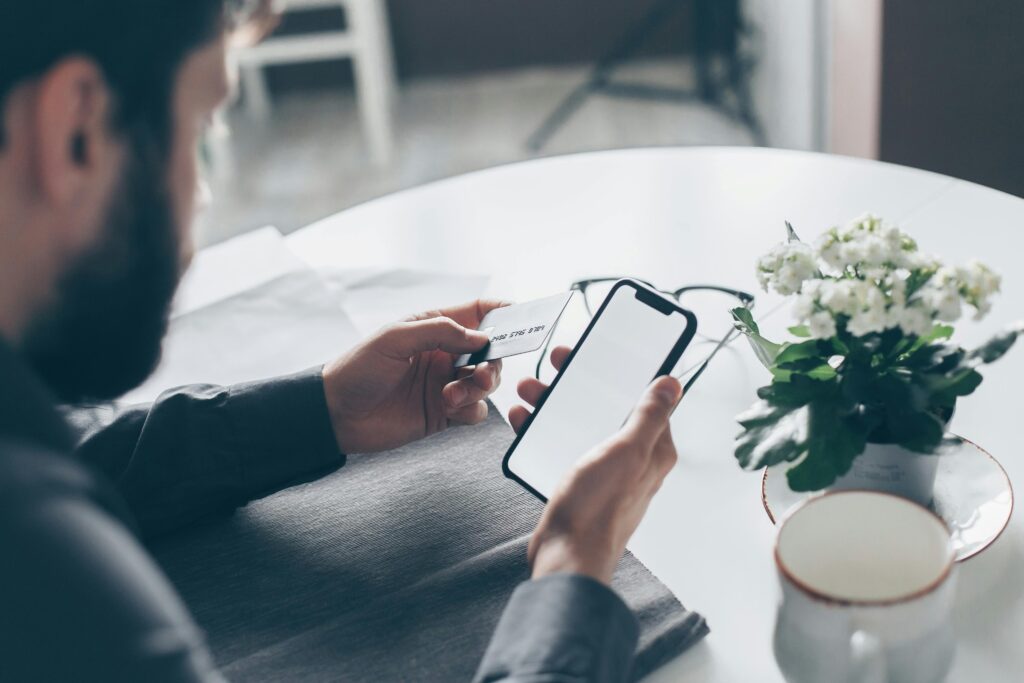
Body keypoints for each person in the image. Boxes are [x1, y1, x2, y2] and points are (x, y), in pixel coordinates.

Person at [0, 2, 683, 681]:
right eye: (199, 130)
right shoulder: (52, 567)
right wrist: (573, 575)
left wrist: (321, 410)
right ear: (77, 130)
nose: (201, 197)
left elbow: (90, 462)